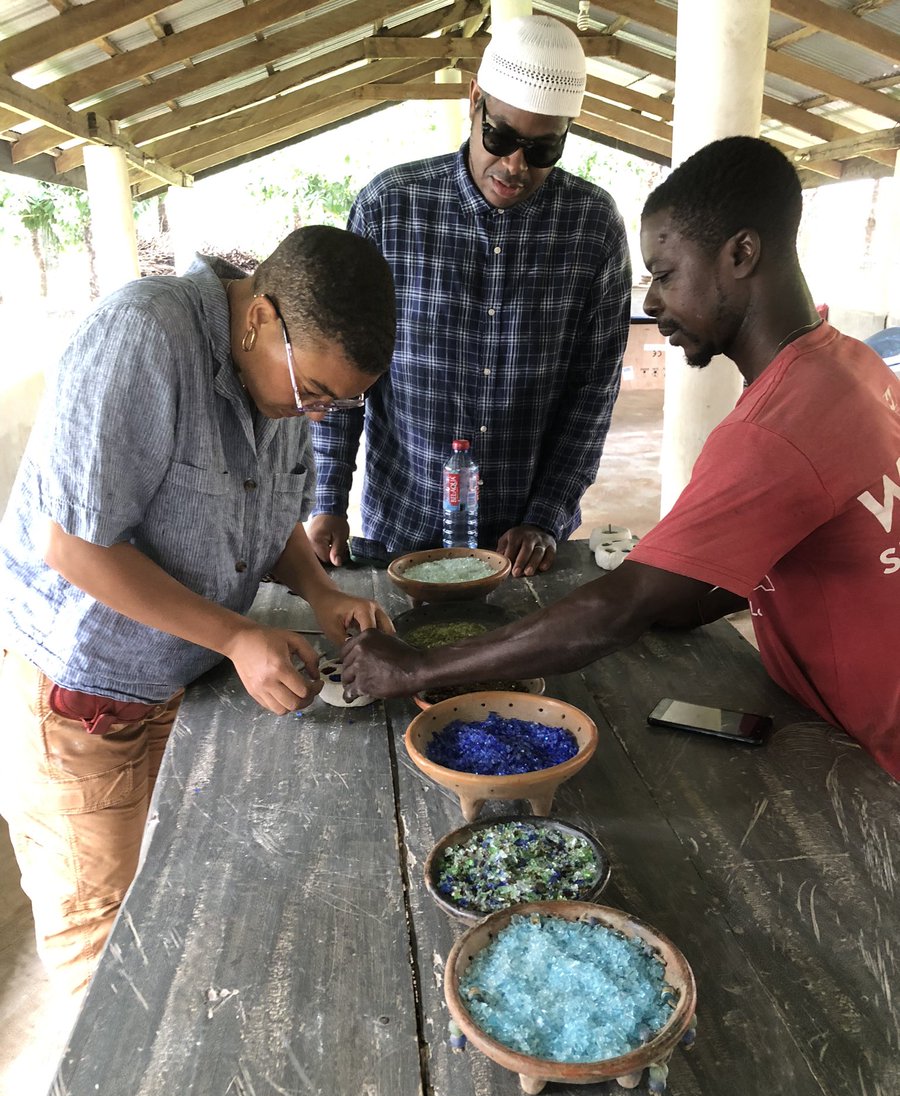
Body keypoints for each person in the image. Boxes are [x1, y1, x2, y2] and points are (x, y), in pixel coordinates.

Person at [342, 136, 900, 781]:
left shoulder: (779, 428)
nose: (654, 302)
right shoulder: (850, 365)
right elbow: (738, 568)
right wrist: (668, 594)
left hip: (872, 753)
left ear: (741, 254)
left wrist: (414, 667)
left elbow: (620, 607)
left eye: (664, 275)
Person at [0, 226, 397, 995]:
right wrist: (241, 636)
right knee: (102, 943)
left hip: (175, 684)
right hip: (83, 699)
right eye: (314, 393)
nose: (318, 415)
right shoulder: (143, 338)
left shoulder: (276, 383)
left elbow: (263, 507)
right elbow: (73, 546)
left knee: (174, 902)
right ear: (260, 318)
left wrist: (320, 589)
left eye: (340, 403)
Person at [308, 14, 631, 579]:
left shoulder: (593, 228)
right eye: (501, 137)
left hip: (521, 549)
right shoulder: (390, 208)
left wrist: (546, 517)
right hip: (401, 532)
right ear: (475, 99)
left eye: (541, 149)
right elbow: (339, 369)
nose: (514, 166)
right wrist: (328, 498)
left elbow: (591, 394)